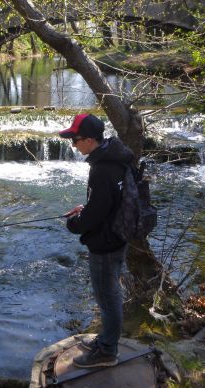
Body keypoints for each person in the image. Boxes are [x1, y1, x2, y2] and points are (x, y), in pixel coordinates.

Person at [60, 113, 134, 368]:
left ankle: (106, 351)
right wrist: (88, 207)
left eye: (75, 140)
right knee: (111, 292)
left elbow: (96, 213)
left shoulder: (102, 169)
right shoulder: (116, 158)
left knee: (107, 296)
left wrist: (75, 223)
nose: (73, 145)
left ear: (90, 140)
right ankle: (106, 339)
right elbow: (106, 202)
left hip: (105, 243)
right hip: (118, 235)